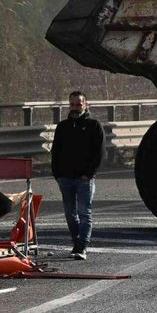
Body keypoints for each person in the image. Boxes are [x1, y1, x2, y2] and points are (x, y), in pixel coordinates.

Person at [51, 91, 104, 260]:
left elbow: (100, 153)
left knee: (84, 212)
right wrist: (57, 174)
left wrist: (89, 174)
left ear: (85, 105)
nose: (75, 107)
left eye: (79, 104)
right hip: (65, 178)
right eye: (72, 104)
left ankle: (82, 247)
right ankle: (76, 243)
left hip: (84, 179)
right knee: (69, 213)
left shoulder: (94, 126)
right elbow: (55, 152)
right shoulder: (63, 127)